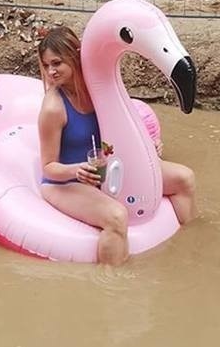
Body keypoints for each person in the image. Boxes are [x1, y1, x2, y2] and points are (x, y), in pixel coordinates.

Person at [37, 26, 197, 266]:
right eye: (46, 65)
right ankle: (111, 288)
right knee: (116, 217)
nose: (51, 71)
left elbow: (122, 127)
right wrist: (77, 170)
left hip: (104, 168)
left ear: (74, 57)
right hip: (66, 182)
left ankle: (192, 248)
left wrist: (147, 146)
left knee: (185, 178)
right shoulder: (53, 108)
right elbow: (48, 166)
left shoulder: (99, 89)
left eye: (57, 63)